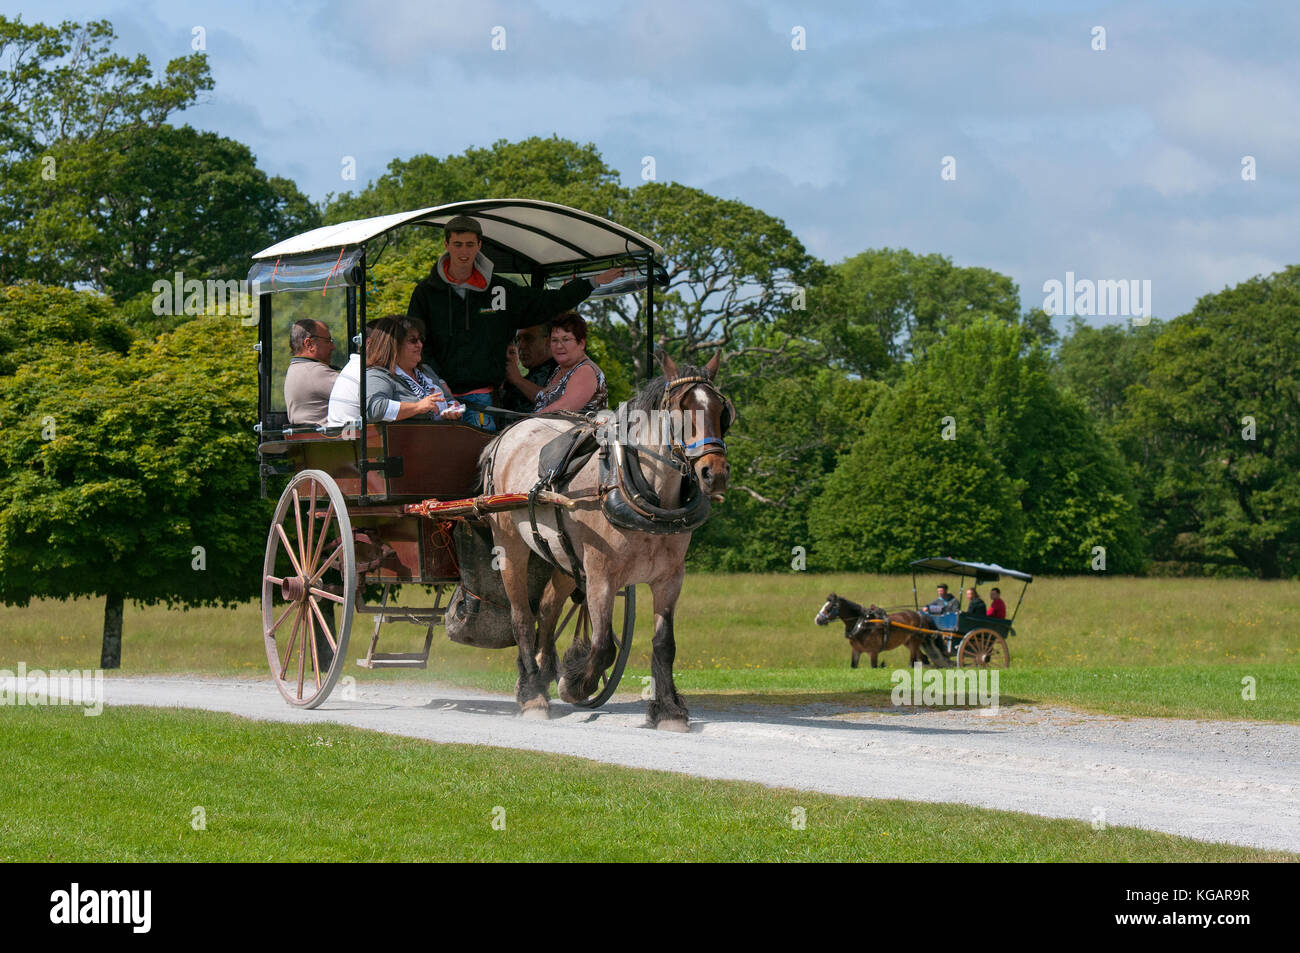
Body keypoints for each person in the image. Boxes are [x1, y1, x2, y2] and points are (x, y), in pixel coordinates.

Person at [406, 215, 624, 430]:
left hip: (484, 401)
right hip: (437, 400)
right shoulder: (425, 293)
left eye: (470, 244)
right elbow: (414, 346)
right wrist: (440, 387)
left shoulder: (500, 290)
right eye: (458, 244)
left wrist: (592, 282)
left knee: (481, 463)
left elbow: (548, 303)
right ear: (446, 244)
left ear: (479, 246)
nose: (464, 251)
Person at [363, 317, 464, 422]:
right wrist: (417, 407)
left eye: (421, 339)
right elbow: (374, 409)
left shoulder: (426, 370)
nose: (420, 345)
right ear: (393, 345)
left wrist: (452, 410)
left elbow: (450, 401)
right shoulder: (379, 374)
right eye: (413, 340)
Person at [532, 312, 607, 414]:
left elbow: (563, 407)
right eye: (554, 340)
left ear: (581, 343)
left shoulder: (586, 370)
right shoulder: (559, 369)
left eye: (566, 339)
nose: (559, 346)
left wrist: (526, 422)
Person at [284, 319, 339, 425]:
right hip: (330, 439)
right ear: (309, 344)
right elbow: (360, 394)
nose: (333, 347)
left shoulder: (295, 369)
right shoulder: (315, 371)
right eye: (328, 341)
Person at [502, 322, 558, 413]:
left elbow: (555, 402)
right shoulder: (533, 373)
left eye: (529, 338)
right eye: (519, 340)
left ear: (548, 341)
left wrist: (518, 380)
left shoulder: (561, 370)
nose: (521, 346)